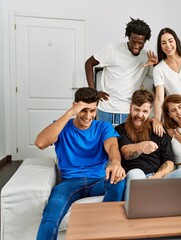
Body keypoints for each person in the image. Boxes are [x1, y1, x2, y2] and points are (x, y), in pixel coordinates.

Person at [34, 87, 126, 240]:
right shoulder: (62, 127)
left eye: (93, 110)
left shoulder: (103, 127)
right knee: (52, 213)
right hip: (70, 183)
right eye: (84, 110)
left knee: (118, 180)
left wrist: (115, 162)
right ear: (75, 105)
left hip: (98, 180)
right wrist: (70, 113)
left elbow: (112, 146)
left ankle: (105, 230)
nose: (88, 116)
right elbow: (40, 143)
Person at [85, 17, 158, 125]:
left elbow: (158, 80)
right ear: (128, 37)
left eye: (140, 43)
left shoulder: (147, 57)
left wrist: (155, 65)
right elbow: (89, 63)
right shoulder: (112, 49)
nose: (136, 46)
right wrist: (93, 92)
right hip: (106, 109)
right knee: (104, 142)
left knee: (128, 142)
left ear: (145, 41)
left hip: (129, 111)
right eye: (133, 42)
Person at [114, 89, 175, 200]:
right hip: (134, 174)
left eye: (145, 111)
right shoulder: (120, 130)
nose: (140, 115)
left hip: (158, 176)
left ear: (150, 110)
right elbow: (126, 152)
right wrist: (142, 146)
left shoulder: (158, 130)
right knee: (136, 173)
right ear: (130, 107)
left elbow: (170, 162)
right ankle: (135, 213)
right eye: (136, 109)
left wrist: (157, 176)